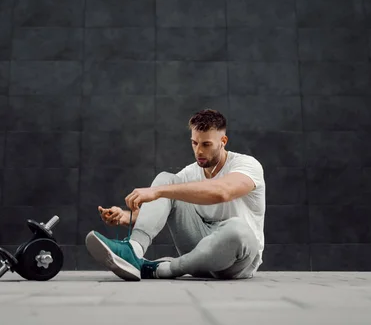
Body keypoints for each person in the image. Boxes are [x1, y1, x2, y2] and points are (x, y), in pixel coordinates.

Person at [85, 108, 266, 281]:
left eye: (206, 144)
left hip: (237, 260)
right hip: (198, 252)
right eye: (194, 143)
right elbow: (159, 207)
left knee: (236, 229)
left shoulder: (247, 165)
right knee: (167, 179)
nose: (199, 151)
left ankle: (163, 269)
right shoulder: (189, 173)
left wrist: (156, 191)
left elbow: (222, 192)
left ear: (223, 141)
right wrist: (125, 217)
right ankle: (133, 251)